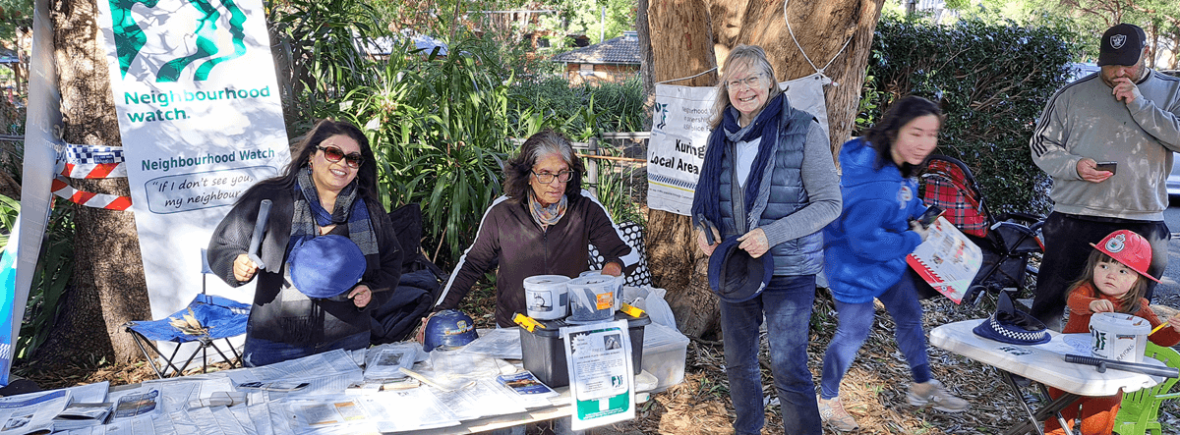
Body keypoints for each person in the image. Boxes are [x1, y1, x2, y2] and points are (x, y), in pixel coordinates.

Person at [691, 44, 841, 435]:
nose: (743, 89)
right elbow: (707, 202)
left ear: (770, 82)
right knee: (738, 362)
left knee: (788, 366)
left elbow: (829, 204)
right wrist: (704, 229)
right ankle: (748, 429)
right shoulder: (721, 135)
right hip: (738, 266)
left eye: (752, 78)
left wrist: (772, 235)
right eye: (734, 81)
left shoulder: (803, 129)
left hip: (789, 269)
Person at [818, 96, 969, 431]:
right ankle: (826, 400)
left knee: (909, 313)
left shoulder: (893, 162)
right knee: (854, 330)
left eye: (932, 134)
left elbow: (904, 196)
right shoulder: (877, 185)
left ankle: (922, 385)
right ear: (894, 130)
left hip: (887, 261)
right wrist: (914, 238)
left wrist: (921, 213)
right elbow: (864, 241)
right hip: (852, 264)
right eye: (917, 133)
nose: (926, 143)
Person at [207, 120, 403, 367]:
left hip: (347, 341)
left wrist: (372, 292)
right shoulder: (272, 198)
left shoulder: (370, 210)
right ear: (312, 155)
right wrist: (235, 263)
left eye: (352, 159)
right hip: (275, 344)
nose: (343, 163)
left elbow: (391, 262)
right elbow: (223, 246)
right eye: (333, 153)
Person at [1029, 23, 1180, 330]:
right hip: (1076, 213)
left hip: (1142, 217)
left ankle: (1115, 373)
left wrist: (1140, 105)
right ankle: (1032, 371)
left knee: (1133, 312)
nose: (1117, 72)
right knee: (1049, 305)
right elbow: (1041, 144)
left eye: (1127, 63)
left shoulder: (1172, 91)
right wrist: (1072, 165)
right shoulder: (1071, 95)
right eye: (1110, 64)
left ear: (1146, 54)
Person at [431, 129, 639, 328]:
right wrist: (439, 311)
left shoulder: (585, 207)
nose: (555, 183)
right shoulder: (503, 212)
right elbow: (472, 265)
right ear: (528, 175)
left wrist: (614, 267)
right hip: (515, 328)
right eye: (545, 174)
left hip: (572, 325)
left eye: (562, 173)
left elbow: (628, 255)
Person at [1044, 229, 1180, 435]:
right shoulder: (1086, 290)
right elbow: (1074, 301)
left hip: (1109, 380)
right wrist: (1092, 304)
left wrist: (1175, 330)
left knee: (1098, 428)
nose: (1110, 274)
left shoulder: (1138, 308)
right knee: (1057, 423)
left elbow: (1160, 337)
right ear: (1093, 267)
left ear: (1138, 280)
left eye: (1123, 271)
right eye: (1104, 265)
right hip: (1070, 368)